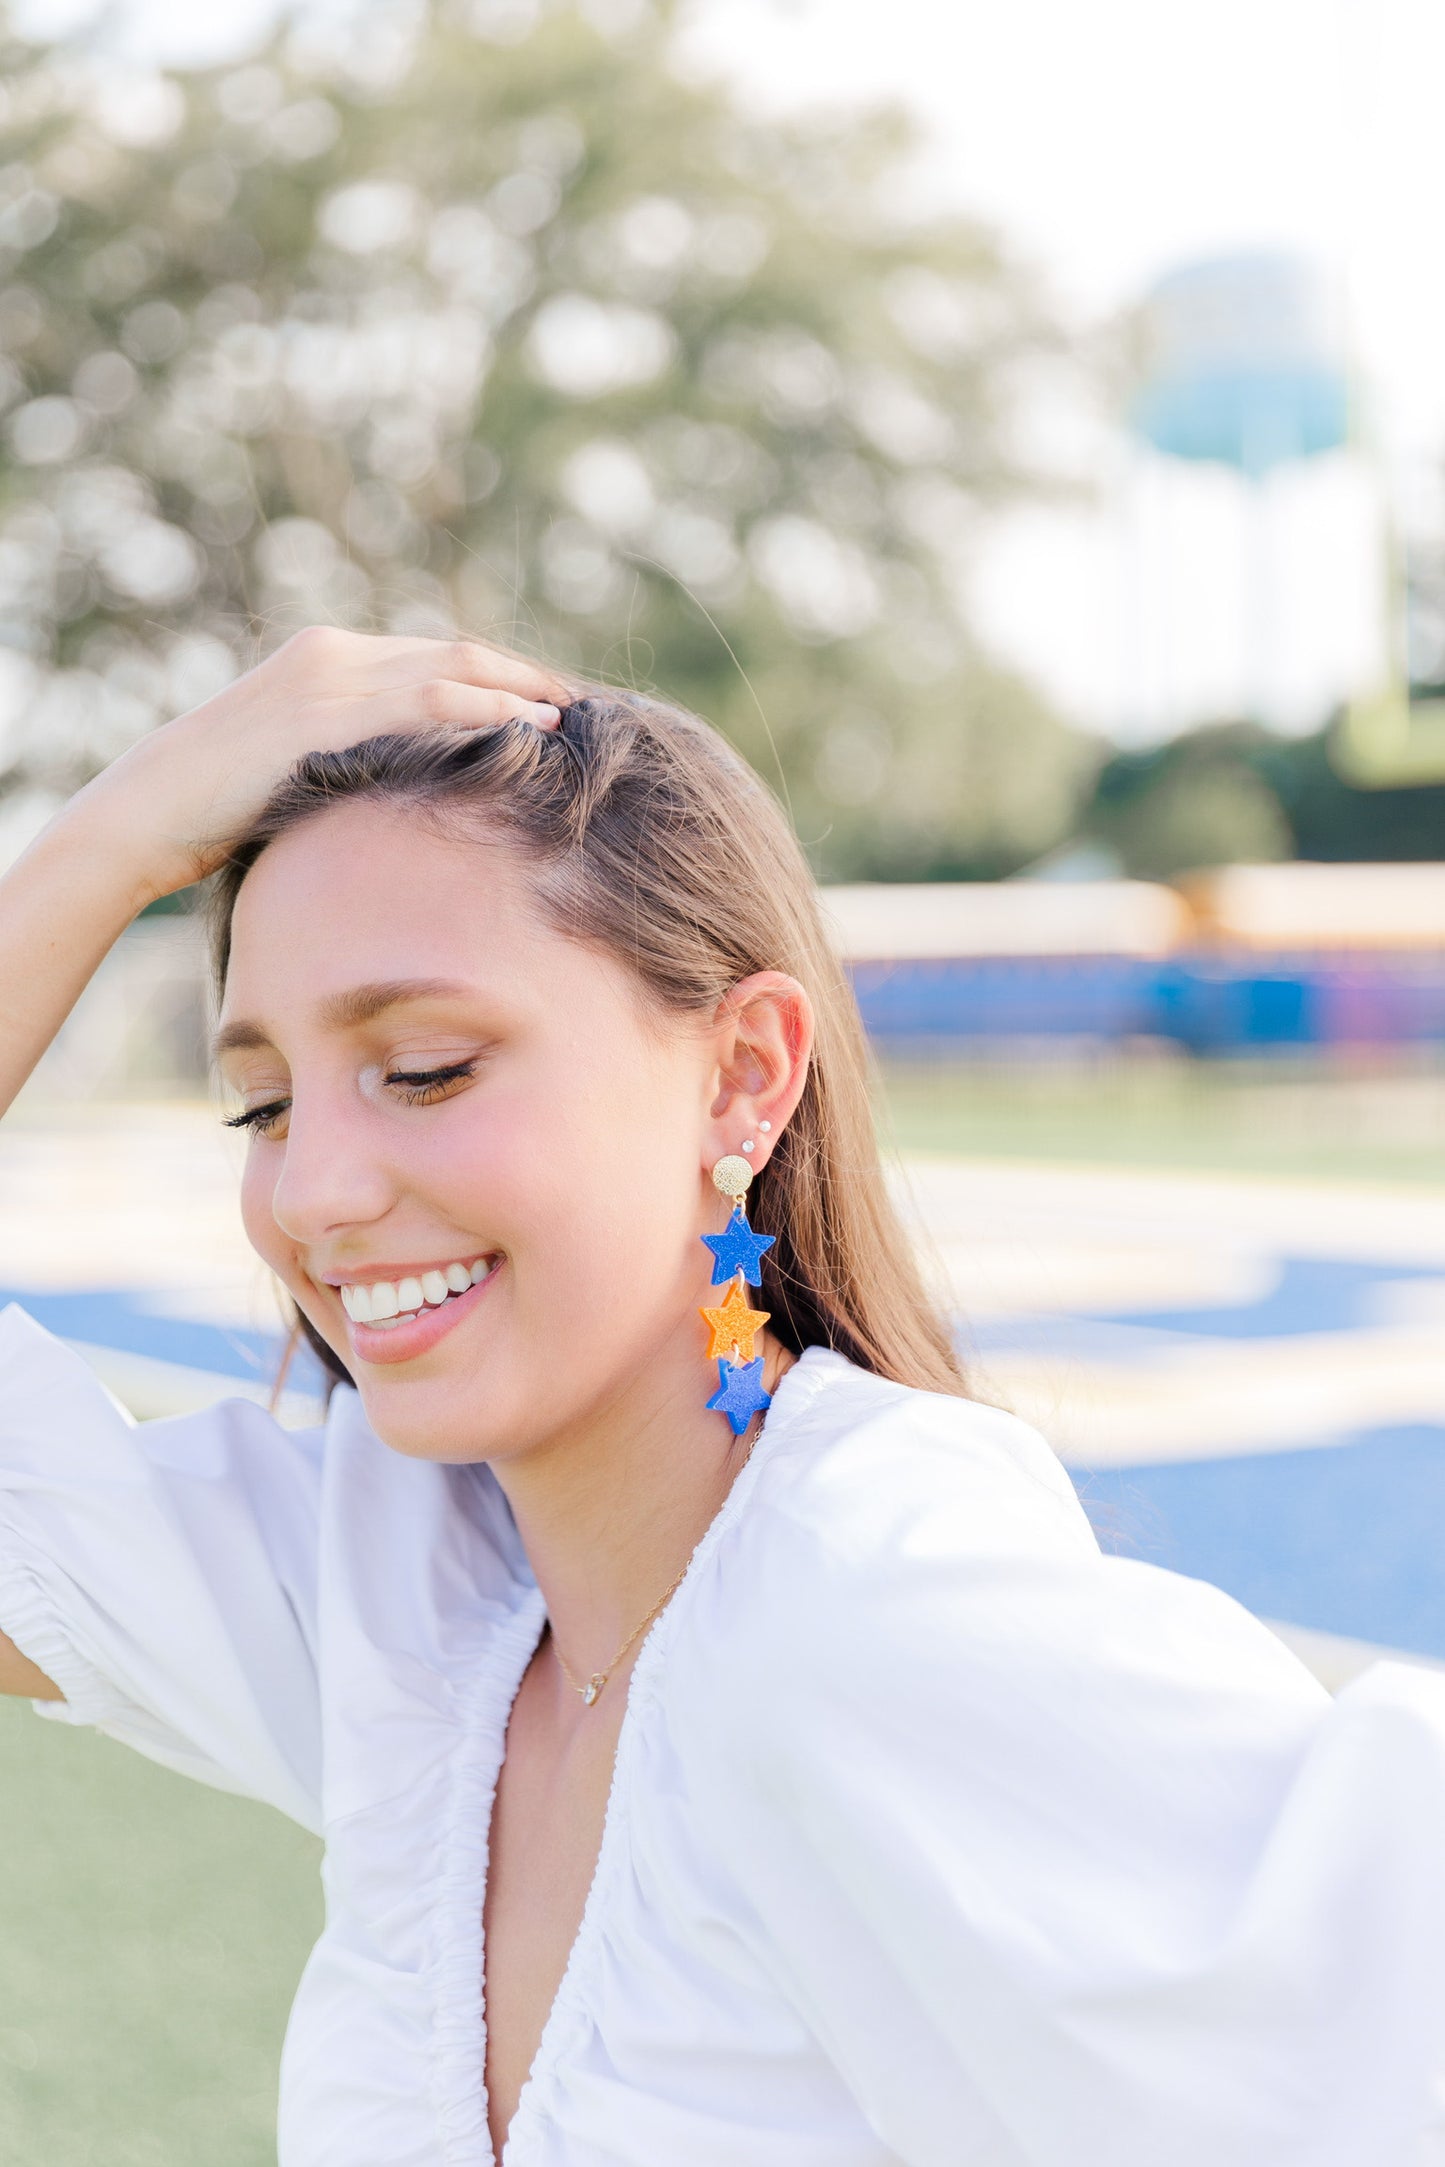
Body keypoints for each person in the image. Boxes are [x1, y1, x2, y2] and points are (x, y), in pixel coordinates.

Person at [2, 627, 1445, 2167]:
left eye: (424, 1068)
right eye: (266, 1103)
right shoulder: (409, 1609)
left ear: (744, 1075)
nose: (315, 1190)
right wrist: (117, 832)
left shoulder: (877, 1606)